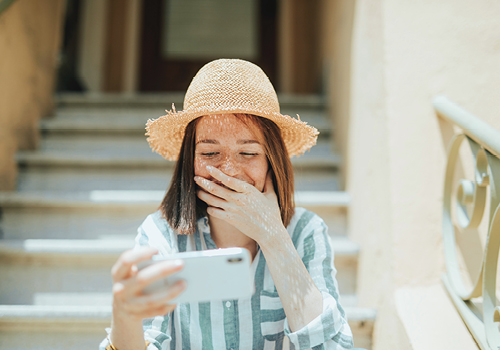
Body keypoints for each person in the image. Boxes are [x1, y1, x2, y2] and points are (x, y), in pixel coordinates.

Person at [99, 59, 353, 350]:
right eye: (209, 152)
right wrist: (124, 315)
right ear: (188, 161)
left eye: (248, 153)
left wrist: (273, 236)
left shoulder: (306, 231)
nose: (229, 171)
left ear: (273, 161)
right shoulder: (161, 235)